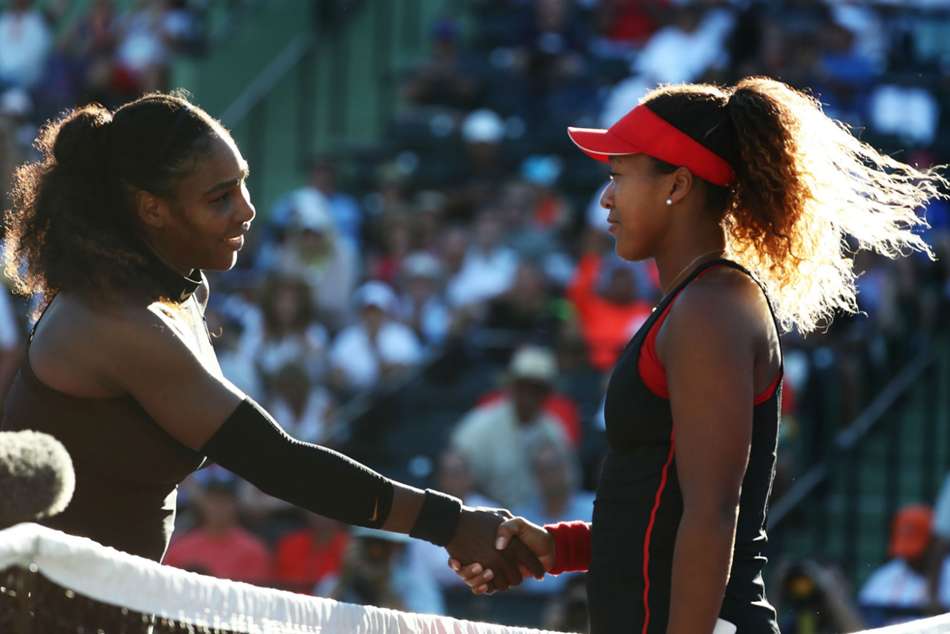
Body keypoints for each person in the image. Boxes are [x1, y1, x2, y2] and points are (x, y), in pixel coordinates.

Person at [451, 76, 946, 633]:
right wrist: (558, 547)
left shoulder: (712, 308)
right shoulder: (698, 303)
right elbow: (663, 515)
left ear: (678, 184)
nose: (605, 198)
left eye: (618, 176)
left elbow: (713, 515)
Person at [0, 92, 542, 591]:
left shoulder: (176, 292)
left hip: (96, 597)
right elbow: (279, 463)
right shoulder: (117, 321)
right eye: (219, 197)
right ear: (153, 209)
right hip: (39, 603)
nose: (247, 209)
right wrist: (451, 522)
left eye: (242, 183)